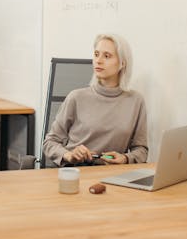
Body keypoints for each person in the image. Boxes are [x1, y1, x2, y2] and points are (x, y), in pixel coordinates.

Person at [43, 33, 148, 167]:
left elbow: (141, 150)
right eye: (96, 54)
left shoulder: (136, 101)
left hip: (112, 175)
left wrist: (125, 158)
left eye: (106, 56)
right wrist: (69, 155)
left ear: (122, 63)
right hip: (75, 171)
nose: (98, 60)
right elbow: (50, 142)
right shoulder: (76, 97)